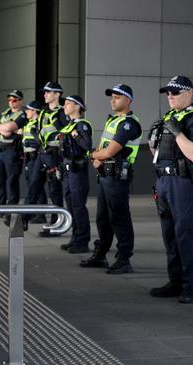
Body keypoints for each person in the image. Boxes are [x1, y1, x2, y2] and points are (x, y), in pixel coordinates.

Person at [147, 76, 193, 304]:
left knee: (186, 235)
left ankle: (192, 287)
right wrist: (153, 138)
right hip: (164, 182)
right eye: (168, 93)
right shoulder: (169, 117)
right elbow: (157, 153)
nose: (170, 96)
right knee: (170, 236)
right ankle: (175, 281)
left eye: (175, 92)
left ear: (190, 93)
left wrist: (177, 133)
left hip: (184, 183)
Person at [79, 84, 141, 272]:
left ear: (128, 100)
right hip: (106, 175)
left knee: (119, 217)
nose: (113, 100)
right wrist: (98, 155)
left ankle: (124, 259)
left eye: (117, 97)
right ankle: (100, 254)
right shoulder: (113, 121)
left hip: (117, 177)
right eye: (112, 97)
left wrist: (93, 156)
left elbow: (112, 150)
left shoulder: (129, 123)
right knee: (103, 218)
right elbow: (103, 147)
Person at [26, 81, 67, 237]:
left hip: (54, 154)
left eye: (48, 92)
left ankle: (55, 224)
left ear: (57, 94)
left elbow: (66, 131)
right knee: (33, 186)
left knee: (54, 191)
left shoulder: (62, 112)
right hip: (42, 153)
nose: (45, 95)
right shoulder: (43, 112)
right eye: (45, 92)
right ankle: (24, 217)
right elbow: (35, 129)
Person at [59, 95, 92, 253]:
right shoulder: (68, 125)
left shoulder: (82, 125)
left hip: (77, 170)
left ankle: (83, 241)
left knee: (78, 206)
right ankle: (75, 237)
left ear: (77, 107)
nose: (64, 106)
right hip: (67, 170)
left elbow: (87, 145)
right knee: (71, 205)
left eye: (68, 103)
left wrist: (76, 135)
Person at [0, 90, 27, 223]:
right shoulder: (4, 113)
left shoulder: (22, 115)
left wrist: (2, 128)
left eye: (14, 100)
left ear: (20, 101)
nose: (11, 102)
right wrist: (2, 129)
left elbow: (10, 129)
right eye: (10, 99)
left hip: (13, 151)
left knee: (12, 181)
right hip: (1, 151)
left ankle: (11, 209)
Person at [21, 100, 48, 224]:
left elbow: (41, 141)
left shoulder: (38, 124)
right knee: (31, 186)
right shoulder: (29, 123)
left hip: (35, 158)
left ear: (34, 111)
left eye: (28, 110)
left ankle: (40, 214)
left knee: (37, 187)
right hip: (27, 158)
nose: (26, 111)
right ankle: (33, 213)